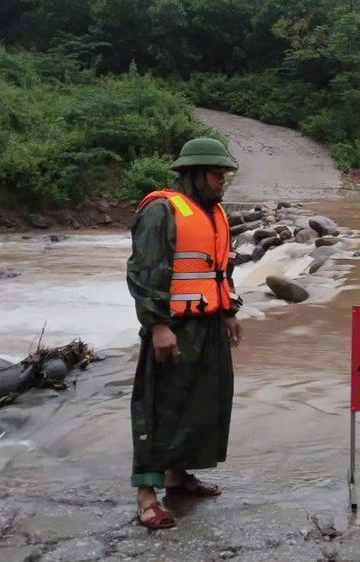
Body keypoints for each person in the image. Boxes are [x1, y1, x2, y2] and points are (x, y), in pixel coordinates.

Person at [126, 137, 243, 529]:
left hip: (208, 325)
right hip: (173, 326)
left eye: (224, 175)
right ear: (193, 174)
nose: (221, 182)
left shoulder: (214, 212)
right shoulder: (161, 210)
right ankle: (147, 497)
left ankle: (178, 477)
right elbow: (144, 274)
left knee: (204, 402)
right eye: (216, 175)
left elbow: (218, 270)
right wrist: (158, 325)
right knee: (159, 407)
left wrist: (228, 311)